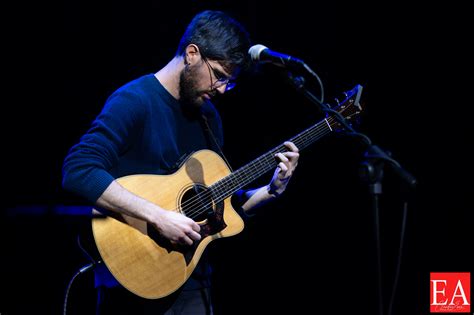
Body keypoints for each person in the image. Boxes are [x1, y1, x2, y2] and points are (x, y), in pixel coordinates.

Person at [62, 9, 299, 315]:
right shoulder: (134, 101)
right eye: (220, 76)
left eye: (231, 82)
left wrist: (270, 191)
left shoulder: (208, 117)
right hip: (131, 281)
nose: (223, 90)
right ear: (191, 54)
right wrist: (158, 216)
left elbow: (217, 211)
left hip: (191, 282)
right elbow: (78, 169)